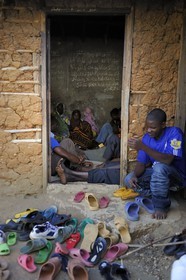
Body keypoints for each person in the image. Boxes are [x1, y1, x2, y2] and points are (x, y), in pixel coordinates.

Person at [124, 108, 186, 220]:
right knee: (128, 178)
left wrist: (143, 147)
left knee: (159, 167)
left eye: (153, 127)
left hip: (177, 177)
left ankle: (161, 206)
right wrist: (134, 175)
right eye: (147, 127)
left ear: (163, 125)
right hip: (159, 176)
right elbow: (141, 164)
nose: (149, 130)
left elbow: (168, 160)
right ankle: (158, 195)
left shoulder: (174, 133)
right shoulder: (147, 138)